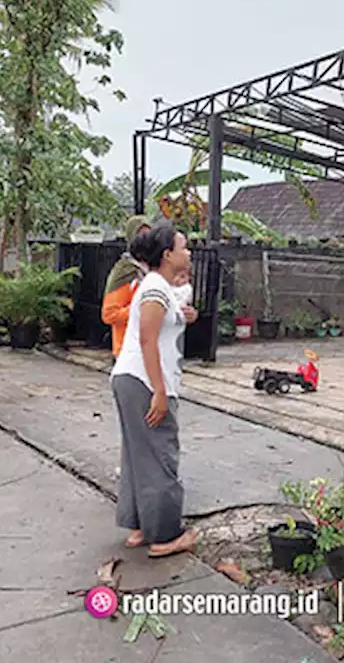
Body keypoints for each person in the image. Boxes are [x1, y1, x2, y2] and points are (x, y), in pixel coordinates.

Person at [111, 222, 200, 556]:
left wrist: (185, 316)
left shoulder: (157, 286)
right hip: (145, 381)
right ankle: (164, 536)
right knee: (161, 453)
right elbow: (147, 337)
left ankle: (139, 527)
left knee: (138, 455)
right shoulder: (155, 288)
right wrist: (159, 391)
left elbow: (163, 323)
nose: (188, 252)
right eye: (184, 247)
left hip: (132, 378)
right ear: (167, 255)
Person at [101, 215, 152, 356]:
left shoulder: (154, 268)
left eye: (149, 235)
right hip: (127, 352)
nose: (146, 240)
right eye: (141, 235)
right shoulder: (125, 272)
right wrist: (140, 309)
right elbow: (109, 314)